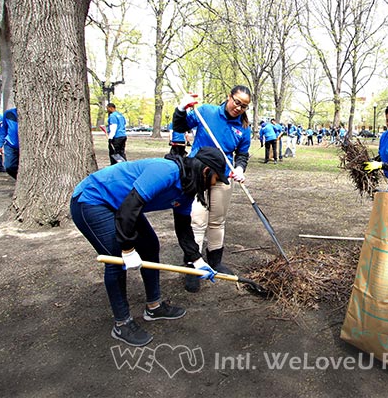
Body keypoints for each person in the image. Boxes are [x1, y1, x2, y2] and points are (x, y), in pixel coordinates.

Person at [70, 146, 229, 347]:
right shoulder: (166, 171)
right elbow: (129, 208)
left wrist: (197, 260)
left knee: (150, 245)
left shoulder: (187, 189)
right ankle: (122, 323)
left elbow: (183, 228)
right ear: (206, 172)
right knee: (116, 258)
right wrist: (127, 250)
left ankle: (154, 306)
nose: (214, 185)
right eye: (216, 179)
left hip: (123, 206)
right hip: (93, 200)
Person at [172, 85, 252, 293]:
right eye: (237, 102)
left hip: (222, 176)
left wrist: (240, 168)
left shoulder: (243, 128)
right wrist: (181, 108)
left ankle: (215, 261)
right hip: (197, 174)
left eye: (244, 106)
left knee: (217, 220)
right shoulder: (205, 111)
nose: (239, 108)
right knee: (197, 221)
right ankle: (192, 265)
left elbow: (242, 154)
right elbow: (179, 126)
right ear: (229, 97)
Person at [0, 108, 19, 179]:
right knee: (9, 166)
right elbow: (3, 130)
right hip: (11, 144)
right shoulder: (9, 113)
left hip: (25, 146)